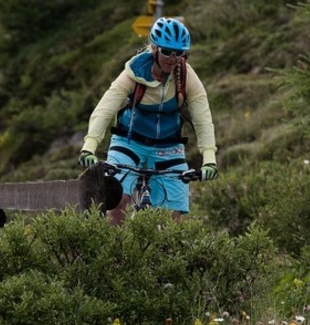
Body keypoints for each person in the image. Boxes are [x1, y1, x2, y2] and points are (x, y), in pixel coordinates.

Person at [78, 17, 218, 225]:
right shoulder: (134, 73)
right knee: (116, 202)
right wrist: (89, 146)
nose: (173, 58)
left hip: (169, 145)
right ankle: (113, 255)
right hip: (129, 141)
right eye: (167, 52)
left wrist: (209, 158)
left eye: (179, 53)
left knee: (173, 218)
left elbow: (202, 118)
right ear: (155, 49)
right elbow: (105, 109)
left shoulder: (186, 75)